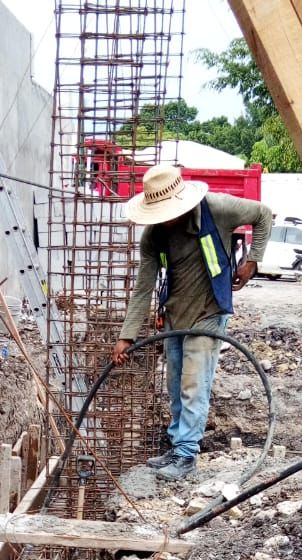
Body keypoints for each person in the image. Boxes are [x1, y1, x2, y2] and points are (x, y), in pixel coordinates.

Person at [111, 162, 272, 482]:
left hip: (209, 312)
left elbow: (264, 215)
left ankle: (186, 454)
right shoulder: (154, 235)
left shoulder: (219, 208)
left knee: (193, 385)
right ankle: (176, 446)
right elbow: (143, 287)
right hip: (175, 316)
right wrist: (126, 336)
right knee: (174, 385)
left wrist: (253, 260)